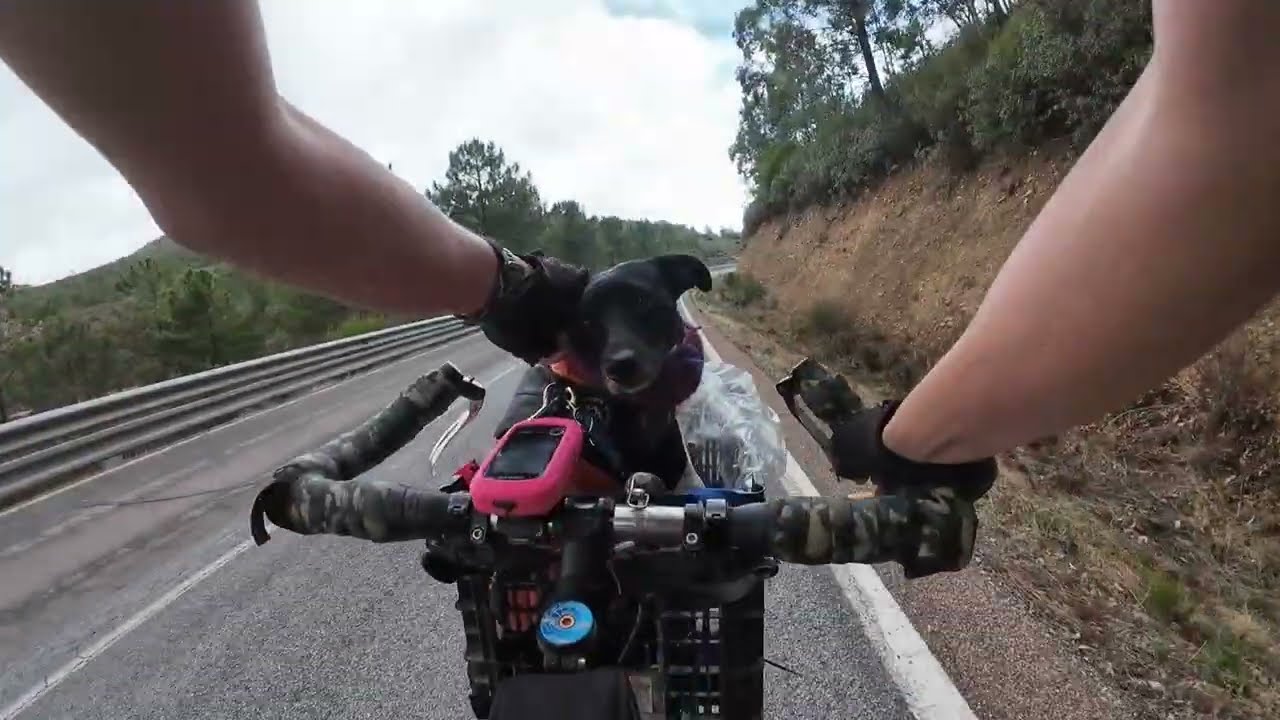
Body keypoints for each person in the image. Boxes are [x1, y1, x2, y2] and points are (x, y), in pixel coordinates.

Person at [3, 2, 1278, 574]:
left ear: (678, 305)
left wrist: (489, 282)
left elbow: (229, 175)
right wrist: (912, 446)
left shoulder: (684, 354)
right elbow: (1232, 123)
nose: (612, 346)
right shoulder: (570, 369)